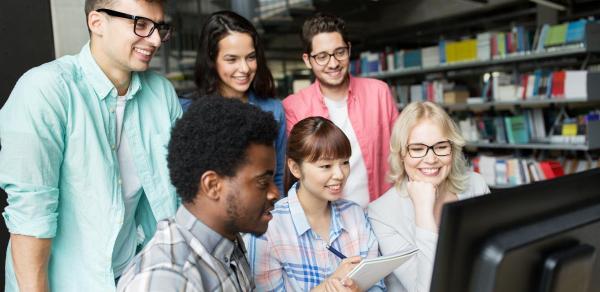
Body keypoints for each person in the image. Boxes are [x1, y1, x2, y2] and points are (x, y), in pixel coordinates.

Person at [0, 0, 181, 291]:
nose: (156, 39)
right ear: (97, 22)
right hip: (68, 282)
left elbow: (179, 195)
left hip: (138, 275)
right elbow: (31, 216)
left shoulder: (161, 93)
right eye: (141, 25)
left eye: (160, 27)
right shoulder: (45, 90)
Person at [117, 97, 279, 291]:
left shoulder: (227, 243)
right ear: (212, 185)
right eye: (263, 182)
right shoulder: (167, 279)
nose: (275, 193)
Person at [246, 116, 385, 291]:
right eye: (326, 166)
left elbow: (377, 286)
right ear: (295, 168)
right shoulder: (268, 228)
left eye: (344, 163)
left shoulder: (355, 214)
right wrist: (326, 287)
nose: (340, 175)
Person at [367, 101, 490, 292]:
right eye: (417, 149)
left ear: (453, 149)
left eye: (441, 146)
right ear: (401, 154)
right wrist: (423, 211)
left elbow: (489, 261)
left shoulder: (476, 185)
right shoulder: (382, 214)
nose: (431, 159)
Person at [282, 13, 398, 207]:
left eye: (340, 52)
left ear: (349, 49)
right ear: (307, 60)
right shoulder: (293, 106)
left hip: (381, 212)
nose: (333, 63)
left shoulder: (379, 92)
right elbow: (296, 173)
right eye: (321, 56)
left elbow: (400, 151)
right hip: (326, 220)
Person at [181, 10, 287, 195]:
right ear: (212, 61)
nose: (244, 68)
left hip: (263, 218)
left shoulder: (273, 110)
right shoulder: (186, 111)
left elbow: (277, 177)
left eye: (251, 57)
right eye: (232, 59)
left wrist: (274, 219)